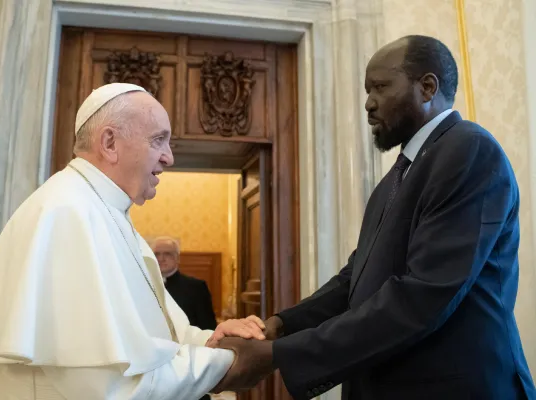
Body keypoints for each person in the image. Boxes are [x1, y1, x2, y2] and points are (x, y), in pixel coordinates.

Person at [209, 35, 536, 400]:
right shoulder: (396, 178)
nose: (368, 103)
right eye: (367, 90)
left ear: (427, 87)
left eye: (380, 87)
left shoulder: (469, 150)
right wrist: (281, 325)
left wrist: (277, 355)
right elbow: (356, 279)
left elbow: (423, 295)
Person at [0, 83, 265, 399]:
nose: (169, 157)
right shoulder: (67, 214)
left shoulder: (112, 216)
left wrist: (211, 340)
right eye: (158, 140)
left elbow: (159, 334)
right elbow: (115, 384)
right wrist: (228, 363)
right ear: (109, 142)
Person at [153, 236, 218, 331]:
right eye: (156, 254)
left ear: (177, 258)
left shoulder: (196, 288)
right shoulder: (143, 286)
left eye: (167, 254)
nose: (161, 259)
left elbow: (207, 327)